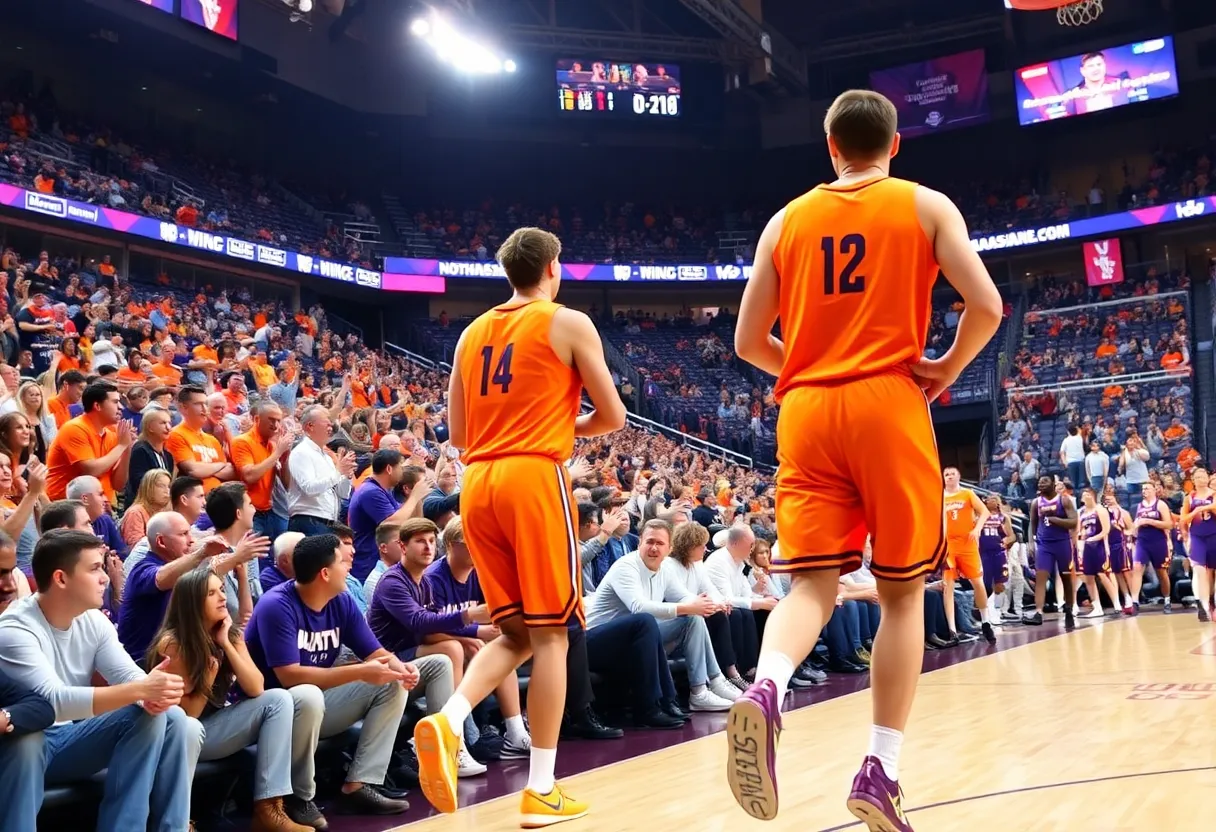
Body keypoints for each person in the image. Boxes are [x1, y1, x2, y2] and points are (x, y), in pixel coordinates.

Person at [724, 88, 1002, 829]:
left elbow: (750, 343)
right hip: (888, 399)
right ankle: (880, 769)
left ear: (829, 147)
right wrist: (944, 366)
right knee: (904, 593)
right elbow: (989, 305)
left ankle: (766, 689)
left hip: (807, 409)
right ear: (895, 143)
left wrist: (810, 362)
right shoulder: (925, 203)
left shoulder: (784, 221)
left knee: (811, 586)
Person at [413, 225, 626, 826]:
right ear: (552, 267)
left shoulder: (471, 332)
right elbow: (612, 415)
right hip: (533, 476)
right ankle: (541, 788)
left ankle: (449, 720)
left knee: (517, 632)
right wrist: (565, 427)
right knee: (555, 632)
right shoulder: (567, 321)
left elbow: (455, 435)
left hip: (476, 484)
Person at [0, 529, 201, 832]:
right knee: (29, 741)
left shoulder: (93, 619)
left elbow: (130, 677)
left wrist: (156, 691)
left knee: (171, 717)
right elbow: (52, 703)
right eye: (95, 568)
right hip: (31, 743)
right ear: (61, 578)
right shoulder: (14, 629)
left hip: (71, 738)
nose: (106, 578)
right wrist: (140, 689)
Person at [244, 533, 413, 828]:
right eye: (342, 561)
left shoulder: (341, 600)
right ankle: (298, 796)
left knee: (391, 682)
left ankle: (360, 786)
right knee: (307, 694)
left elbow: (375, 652)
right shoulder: (277, 605)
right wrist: (360, 671)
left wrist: (401, 669)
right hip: (273, 711)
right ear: (324, 573)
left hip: (317, 704)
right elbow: (289, 676)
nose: (349, 565)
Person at [146, 567, 310, 832]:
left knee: (278, 699)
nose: (222, 597)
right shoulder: (173, 644)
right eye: (212, 593)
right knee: (189, 728)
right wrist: (208, 679)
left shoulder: (228, 633)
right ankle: (177, 822)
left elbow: (257, 687)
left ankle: (269, 809)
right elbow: (184, 719)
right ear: (192, 603)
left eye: (221, 589)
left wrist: (228, 644)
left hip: (211, 729)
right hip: (176, 737)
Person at [941, 467, 994, 643]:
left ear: (959, 476)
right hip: (949, 546)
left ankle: (985, 620)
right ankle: (952, 630)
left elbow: (985, 512)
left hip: (967, 544)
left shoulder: (968, 493)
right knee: (947, 586)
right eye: (946, 474)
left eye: (952, 473)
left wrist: (977, 529)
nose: (949, 476)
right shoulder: (939, 497)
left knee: (978, 582)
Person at [1023, 475, 1079, 628]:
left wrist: (1056, 520)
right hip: (1044, 545)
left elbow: (1074, 521)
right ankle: (1038, 613)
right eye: (1039, 481)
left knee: (1066, 578)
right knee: (1041, 577)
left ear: (1054, 484)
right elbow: (1032, 524)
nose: (1041, 483)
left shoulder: (1064, 500)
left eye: (1045, 481)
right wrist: (1031, 542)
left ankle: (1069, 610)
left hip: (1062, 544)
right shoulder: (1036, 503)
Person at [1130, 481, 1175, 614]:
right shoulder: (1138, 506)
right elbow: (1135, 523)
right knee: (1137, 567)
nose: (1145, 491)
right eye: (1143, 489)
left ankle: (1167, 599)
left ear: (1155, 490)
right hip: (1143, 541)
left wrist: (1150, 521)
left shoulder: (1160, 505)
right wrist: (1134, 528)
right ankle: (1134, 602)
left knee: (1161, 572)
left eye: (1147, 488)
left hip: (1158, 541)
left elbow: (1169, 524)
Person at [1076, 488, 1121, 618]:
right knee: (1088, 577)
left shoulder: (1100, 509)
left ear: (1093, 496)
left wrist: (1093, 539)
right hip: (1086, 547)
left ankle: (1117, 603)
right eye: (1084, 495)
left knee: (1103, 574)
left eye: (1088, 494)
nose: (1086, 496)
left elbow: (1106, 530)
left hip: (1098, 546)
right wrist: (1080, 544)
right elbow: (1079, 530)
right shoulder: (1081, 513)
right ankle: (1097, 607)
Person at [1181, 467, 1216, 621]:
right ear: (1193, 480)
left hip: (1214, 534)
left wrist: (1205, 507)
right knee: (1200, 571)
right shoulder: (1189, 498)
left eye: (1203, 475)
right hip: (1197, 536)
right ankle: (1203, 605)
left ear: (1207, 478)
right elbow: (1184, 519)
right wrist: (1195, 512)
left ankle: (1212, 601)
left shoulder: (1214, 494)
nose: (1201, 478)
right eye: (1198, 476)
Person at [978, 496, 1015, 625]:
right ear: (985, 502)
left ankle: (996, 612)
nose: (993, 500)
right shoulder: (979, 516)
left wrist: (1006, 541)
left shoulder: (1004, 518)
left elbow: (1012, 536)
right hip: (983, 553)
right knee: (985, 584)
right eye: (990, 498)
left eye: (996, 499)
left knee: (1000, 584)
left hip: (999, 553)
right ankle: (985, 612)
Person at [1102, 493, 1136, 615]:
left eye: (1110, 498)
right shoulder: (1104, 513)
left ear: (1116, 498)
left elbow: (1132, 529)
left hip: (1121, 545)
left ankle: (1134, 599)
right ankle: (1127, 597)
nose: (1108, 501)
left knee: (1127, 573)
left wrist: (1120, 529)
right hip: (1109, 546)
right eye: (1106, 499)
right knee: (1117, 574)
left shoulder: (1123, 513)